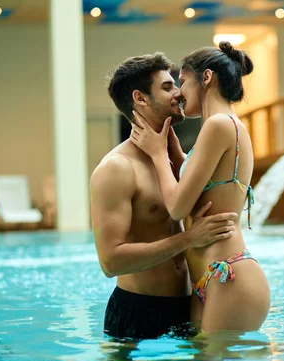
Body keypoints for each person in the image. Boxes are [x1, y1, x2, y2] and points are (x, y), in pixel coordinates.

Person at [91, 52, 238, 340]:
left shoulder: (173, 161)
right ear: (140, 98)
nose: (179, 93)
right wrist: (188, 239)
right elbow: (110, 262)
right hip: (140, 313)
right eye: (168, 87)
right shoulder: (117, 169)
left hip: (188, 305)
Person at [130, 42, 270, 333]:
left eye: (182, 82)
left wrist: (158, 155)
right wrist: (176, 152)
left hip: (228, 275)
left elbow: (178, 206)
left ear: (206, 78)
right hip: (212, 277)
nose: (179, 94)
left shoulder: (218, 124)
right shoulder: (226, 125)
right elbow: (203, 183)